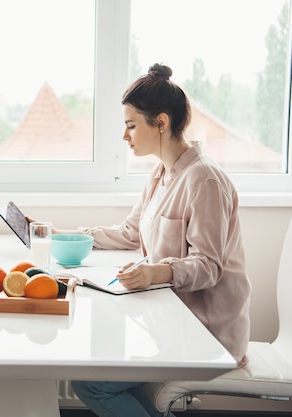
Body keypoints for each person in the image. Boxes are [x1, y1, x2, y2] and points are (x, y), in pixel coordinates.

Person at [52, 63, 251, 417]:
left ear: (161, 122)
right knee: (94, 365)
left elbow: (209, 266)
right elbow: (130, 232)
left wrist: (153, 273)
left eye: (131, 125)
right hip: (169, 321)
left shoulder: (204, 180)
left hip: (205, 334)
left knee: (91, 383)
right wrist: (65, 235)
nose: (124, 136)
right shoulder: (160, 173)